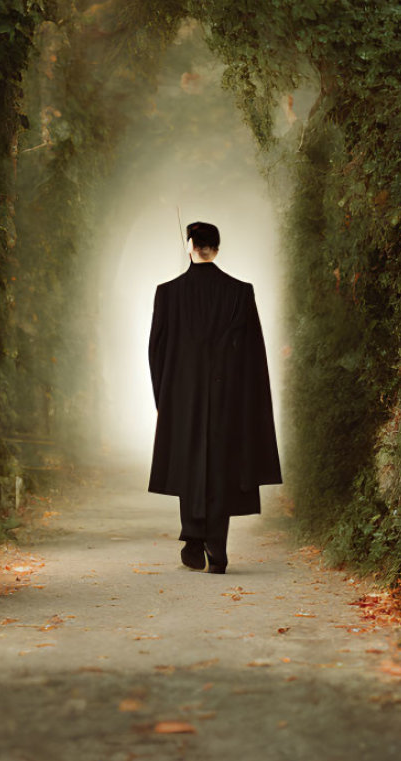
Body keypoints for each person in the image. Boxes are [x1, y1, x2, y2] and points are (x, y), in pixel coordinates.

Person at [147, 222, 282, 574]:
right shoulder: (240, 292)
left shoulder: (167, 293)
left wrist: (165, 396)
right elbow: (253, 352)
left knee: (190, 461)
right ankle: (216, 547)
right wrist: (248, 401)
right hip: (229, 395)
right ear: (217, 249)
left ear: (189, 245)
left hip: (182, 392)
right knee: (221, 465)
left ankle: (194, 536)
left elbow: (156, 351)